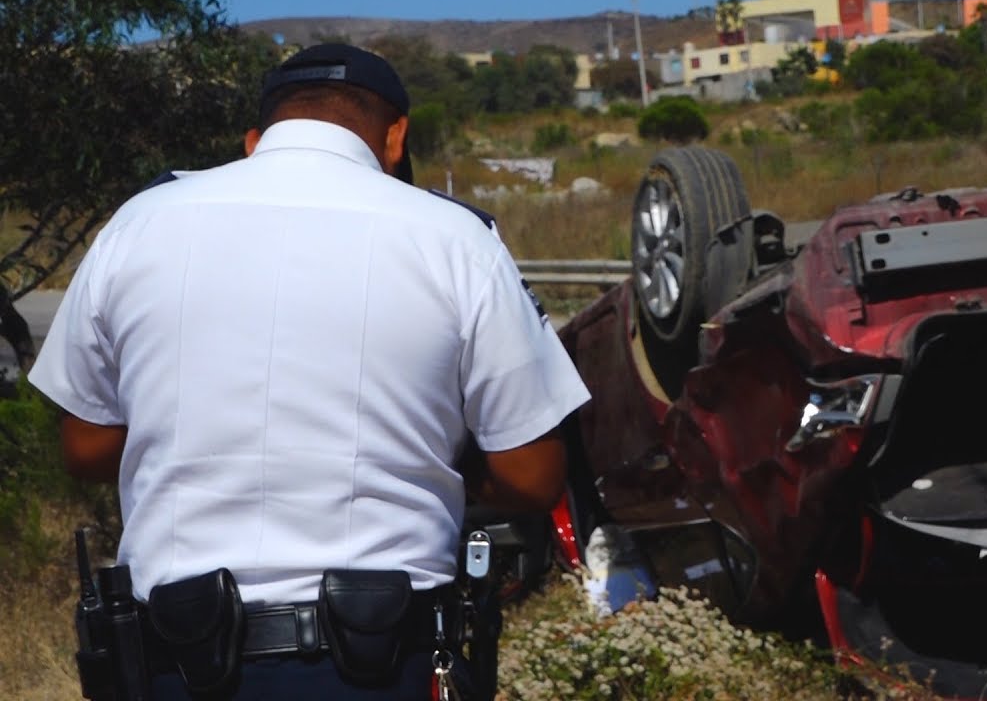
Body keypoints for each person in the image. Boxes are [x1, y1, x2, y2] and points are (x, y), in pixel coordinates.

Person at [29, 43, 590, 699]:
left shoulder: (137, 224)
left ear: (253, 141)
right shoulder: (458, 240)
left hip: (175, 662)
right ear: (396, 135)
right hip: (382, 662)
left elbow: (86, 445)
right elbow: (533, 474)